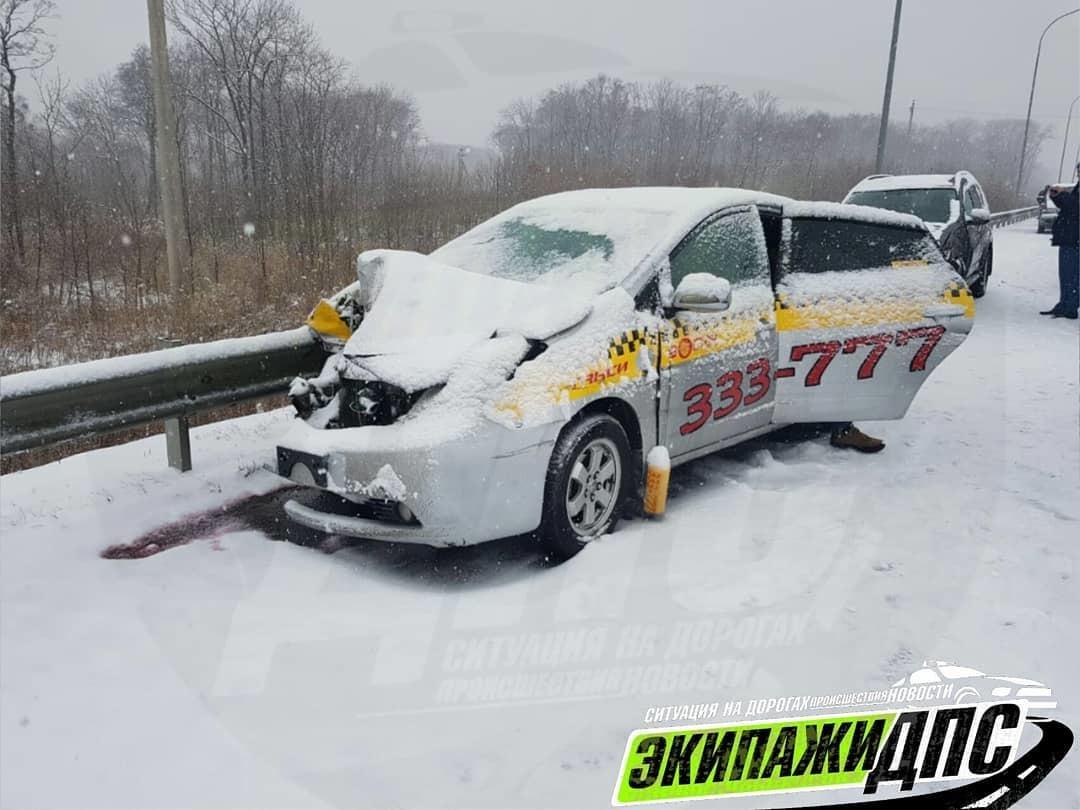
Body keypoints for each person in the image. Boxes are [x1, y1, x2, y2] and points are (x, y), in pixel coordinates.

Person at [1040, 172, 1079, 320]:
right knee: (1066, 274)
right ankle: (1065, 304)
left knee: (1072, 275)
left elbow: (1075, 206)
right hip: (1069, 238)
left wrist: (1063, 194)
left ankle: (1070, 307)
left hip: (1075, 239)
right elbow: (1069, 207)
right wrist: (1056, 196)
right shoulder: (1077, 188)